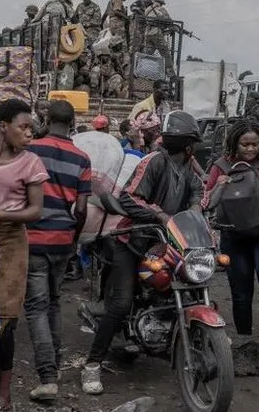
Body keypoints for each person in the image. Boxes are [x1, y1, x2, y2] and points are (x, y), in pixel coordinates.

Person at [81, 111, 203, 395]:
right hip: (133, 240)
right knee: (121, 302)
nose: (188, 147)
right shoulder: (154, 162)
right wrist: (159, 215)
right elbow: (130, 197)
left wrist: (197, 213)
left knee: (191, 286)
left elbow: (198, 194)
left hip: (171, 242)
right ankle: (92, 364)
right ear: (187, 143)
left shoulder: (188, 167)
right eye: (187, 142)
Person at [0, 99, 48, 411]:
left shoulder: (31, 162)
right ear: (3, 127)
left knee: (5, 320)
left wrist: (1, 213)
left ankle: (4, 393)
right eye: (23, 127)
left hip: (11, 243)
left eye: (31, 128)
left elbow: (35, 211)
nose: (29, 133)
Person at [24, 101, 91, 402]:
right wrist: (73, 239)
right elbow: (81, 209)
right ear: (73, 122)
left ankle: (48, 376)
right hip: (63, 240)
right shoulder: (82, 158)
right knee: (53, 301)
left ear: (47, 119)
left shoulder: (31, 150)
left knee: (36, 307)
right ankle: (57, 363)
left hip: (34, 238)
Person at [205, 120, 259, 337]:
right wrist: (219, 185)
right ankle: (245, 339)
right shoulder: (220, 167)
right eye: (245, 144)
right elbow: (207, 203)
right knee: (241, 292)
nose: (251, 149)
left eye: (255, 144)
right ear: (235, 143)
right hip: (233, 236)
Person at [143, 0, 175, 76]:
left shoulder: (147, 9)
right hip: (156, 32)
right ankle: (170, 73)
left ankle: (143, 70)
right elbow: (169, 21)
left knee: (147, 53)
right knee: (165, 53)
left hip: (147, 33)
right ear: (161, 3)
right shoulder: (161, 9)